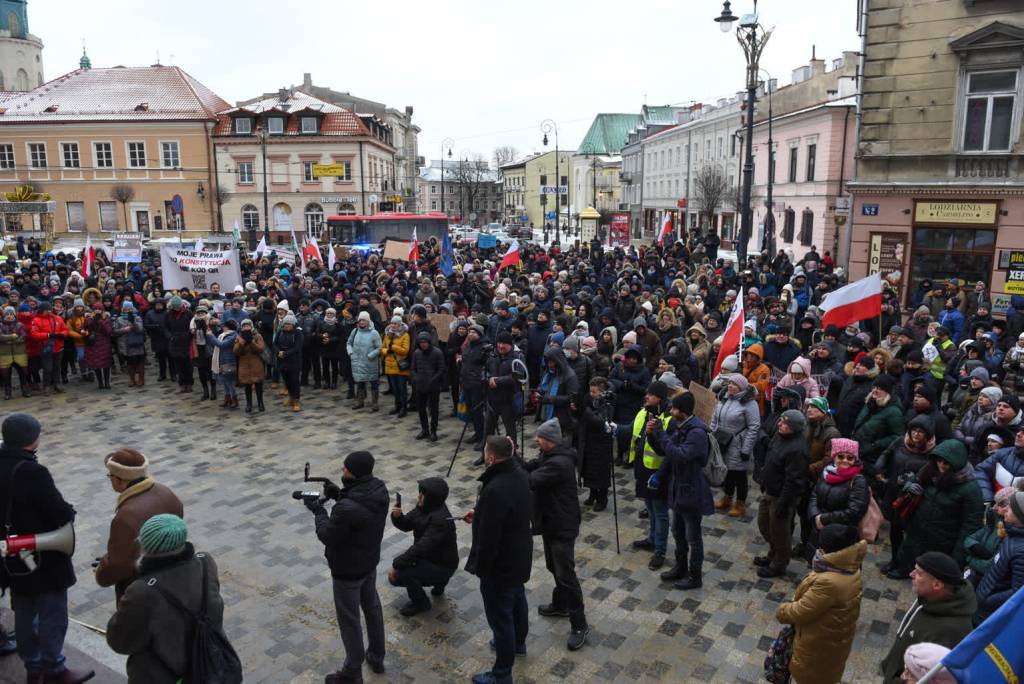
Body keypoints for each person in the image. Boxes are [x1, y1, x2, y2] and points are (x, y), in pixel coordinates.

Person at [0, 413, 94, 684]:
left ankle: (32, 666)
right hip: (42, 555)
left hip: (12, 555)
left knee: (24, 608)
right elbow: (58, 513)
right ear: (32, 439)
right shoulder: (32, 471)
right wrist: (69, 511)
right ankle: (54, 668)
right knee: (52, 612)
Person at [105, 515, 230, 684]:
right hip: (209, 662)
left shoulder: (142, 592)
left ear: (146, 547)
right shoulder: (205, 563)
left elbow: (120, 642)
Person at [306, 451, 389, 683]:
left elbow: (328, 535)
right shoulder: (379, 489)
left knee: (349, 619)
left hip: (347, 571)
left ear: (353, 472)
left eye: (345, 469)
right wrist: (339, 495)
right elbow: (359, 508)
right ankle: (377, 655)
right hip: (369, 562)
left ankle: (352, 671)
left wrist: (319, 511)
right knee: (372, 607)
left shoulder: (346, 509)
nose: (342, 472)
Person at [464, 436, 533, 684]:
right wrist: (481, 513)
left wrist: (482, 569)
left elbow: (489, 539)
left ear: (491, 457)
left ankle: (502, 674)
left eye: (485, 452)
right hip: (519, 555)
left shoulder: (495, 489)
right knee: (517, 599)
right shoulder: (520, 475)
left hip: (500, 565)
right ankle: (519, 643)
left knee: (501, 619)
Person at [523, 418, 589, 650]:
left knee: (565, 574)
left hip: (562, 525)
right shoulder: (549, 455)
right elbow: (530, 465)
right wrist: (510, 457)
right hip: (552, 522)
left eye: (539, 437)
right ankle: (561, 604)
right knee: (554, 567)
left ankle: (579, 624)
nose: (536, 440)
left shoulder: (558, 464)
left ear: (549, 441)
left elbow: (530, 480)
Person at [775, 524, 866, 684]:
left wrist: (782, 610)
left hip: (817, 648)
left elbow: (800, 611)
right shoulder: (849, 568)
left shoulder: (829, 582)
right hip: (832, 645)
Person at [94, 449, 183, 602]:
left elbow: (120, 563)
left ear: (120, 480)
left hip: (141, 589)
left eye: (110, 476)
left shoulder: (125, 517)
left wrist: (101, 571)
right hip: (173, 576)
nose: (110, 480)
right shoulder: (167, 492)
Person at [648, 391, 713, 590]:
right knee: (678, 531)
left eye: (674, 408)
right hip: (679, 488)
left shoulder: (697, 433)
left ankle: (695, 576)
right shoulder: (682, 426)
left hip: (692, 490)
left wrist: (660, 434)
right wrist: (652, 435)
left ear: (682, 411)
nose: (671, 410)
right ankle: (680, 567)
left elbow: (679, 455)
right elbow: (665, 452)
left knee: (693, 536)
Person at [880, 552, 977, 684]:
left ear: (937, 585)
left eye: (919, 573)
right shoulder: (929, 599)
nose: (911, 574)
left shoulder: (951, 631)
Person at [894, 440, 985, 579]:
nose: (941, 465)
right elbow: (914, 480)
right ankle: (903, 570)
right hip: (918, 527)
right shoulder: (930, 470)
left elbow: (970, 525)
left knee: (930, 568)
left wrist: (958, 557)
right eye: (939, 460)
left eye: (946, 463)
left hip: (943, 538)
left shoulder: (971, 490)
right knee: (910, 549)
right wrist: (909, 486)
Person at [387, 477, 458, 617]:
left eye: (422, 494)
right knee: (408, 565)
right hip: (432, 558)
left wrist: (397, 565)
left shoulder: (439, 520)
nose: (418, 496)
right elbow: (407, 524)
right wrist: (398, 517)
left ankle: (421, 603)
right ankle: (439, 584)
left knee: (400, 575)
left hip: (442, 564)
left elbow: (421, 548)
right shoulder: (424, 507)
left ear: (431, 498)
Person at [875, 416, 936, 572]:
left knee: (911, 535)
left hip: (915, 500)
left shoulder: (933, 452)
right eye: (914, 430)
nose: (916, 434)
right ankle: (895, 560)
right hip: (895, 492)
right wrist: (880, 467)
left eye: (921, 432)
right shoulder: (899, 442)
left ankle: (908, 565)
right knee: (895, 530)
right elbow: (886, 454)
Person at [756, 409, 809, 578]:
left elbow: (794, 480)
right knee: (764, 524)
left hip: (781, 497)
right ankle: (773, 555)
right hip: (770, 491)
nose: (779, 424)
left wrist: (783, 503)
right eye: (781, 420)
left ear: (793, 428)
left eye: (784, 423)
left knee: (780, 532)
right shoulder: (780, 436)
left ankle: (779, 564)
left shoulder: (797, 450)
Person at [628, 381, 673, 570]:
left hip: (658, 472)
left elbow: (668, 450)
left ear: (659, 398)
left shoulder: (669, 419)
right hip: (643, 468)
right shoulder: (646, 411)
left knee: (660, 512)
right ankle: (652, 539)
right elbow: (635, 432)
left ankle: (660, 551)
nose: (647, 396)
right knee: (650, 508)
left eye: (651, 394)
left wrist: (660, 474)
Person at [806, 439, 869, 557]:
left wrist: (824, 519)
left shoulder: (858, 481)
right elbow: (814, 495)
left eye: (850, 458)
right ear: (834, 457)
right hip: (818, 530)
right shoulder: (826, 473)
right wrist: (815, 516)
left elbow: (854, 511)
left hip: (841, 535)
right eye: (840, 456)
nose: (845, 460)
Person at [711, 374, 760, 518]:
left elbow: (754, 427)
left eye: (734, 384)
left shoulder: (750, 403)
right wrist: (712, 437)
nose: (730, 386)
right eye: (730, 383)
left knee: (739, 475)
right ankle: (727, 497)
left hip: (738, 445)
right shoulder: (724, 398)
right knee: (726, 472)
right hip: (722, 442)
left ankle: (740, 503)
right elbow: (715, 419)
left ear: (742, 387)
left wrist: (746, 449)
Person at [974, 488, 1024, 624]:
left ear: (1020, 517)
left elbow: (1017, 592)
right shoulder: (1012, 534)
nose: (1006, 510)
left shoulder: (1021, 551)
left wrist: (988, 600)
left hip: (990, 612)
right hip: (983, 602)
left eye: (1011, 508)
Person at [578, 376, 614, 511]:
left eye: (594, 392)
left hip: (602, 443)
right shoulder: (590, 401)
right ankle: (592, 494)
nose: (591, 394)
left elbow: (600, 421)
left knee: (601, 471)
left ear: (601, 392)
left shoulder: (608, 403)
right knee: (590, 469)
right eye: (590, 391)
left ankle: (602, 498)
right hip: (589, 440)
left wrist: (586, 411)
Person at [411, 331, 446, 442]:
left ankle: (433, 430)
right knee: (421, 409)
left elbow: (441, 369)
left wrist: (432, 380)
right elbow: (413, 369)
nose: (423, 344)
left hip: (433, 386)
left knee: (434, 409)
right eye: (421, 342)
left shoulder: (437, 353)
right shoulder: (417, 353)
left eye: (425, 342)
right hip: (420, 385)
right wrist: (416, 379)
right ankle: (424, 429)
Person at [347, 311, 382, 411]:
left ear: (368, 321)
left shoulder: (374, 333)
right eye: (360, 320)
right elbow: (349, 343)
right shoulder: (355, 331)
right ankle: (360, 401)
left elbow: (379, 348)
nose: (361, 322)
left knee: (374, 383)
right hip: (357, 362)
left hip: (370, 363)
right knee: (360, 382)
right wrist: (350, 352)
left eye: (364, 320)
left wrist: (370, 355)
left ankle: (375, 403)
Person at [233, 319, 266, 413]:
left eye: (248, 326)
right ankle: (249, 404)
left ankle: (260, 403)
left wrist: (251, 342)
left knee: (258, 385)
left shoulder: (257, 336)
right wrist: (241, 344)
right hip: (244, 364)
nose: (246, 327)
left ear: (251, 327)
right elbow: (235, 351)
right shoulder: (239, 337)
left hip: (256, 363)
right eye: (244, 326)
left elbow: (261, 349)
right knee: (247, 386)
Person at [381, 315, 411, 417]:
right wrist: (386, 350)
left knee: (402, 389)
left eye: (395, 324)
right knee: (395, 389)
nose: (393, 325)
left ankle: (404, 408)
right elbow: (382, 348)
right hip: (390, 365)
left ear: (399, 324)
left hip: (400, 366)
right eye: (392, 323)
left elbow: (405, 350)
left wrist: (393, 347)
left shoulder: (405, 335)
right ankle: (397, 406)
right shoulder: (387, 334)